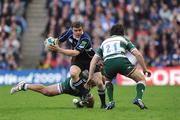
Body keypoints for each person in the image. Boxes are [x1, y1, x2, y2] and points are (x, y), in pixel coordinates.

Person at [85, 24, 151, 110]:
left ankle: (111, 102)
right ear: (122, 33)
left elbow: (93, 61)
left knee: (108, 81)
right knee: (141, 79)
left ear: (111, 33)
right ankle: (138, 98)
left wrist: (90, 77)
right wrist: (145, 69)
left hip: (108, 63)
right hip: (121, 61)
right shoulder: (123, 39)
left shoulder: (104, 42)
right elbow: (137, 54)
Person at [10, 71, 94, 108]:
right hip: (69, 86)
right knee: (47, 92)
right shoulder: (87, 67)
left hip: (81, 91)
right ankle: (24, 85)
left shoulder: (99, 74)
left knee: (91, 104)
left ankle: (79, 103)